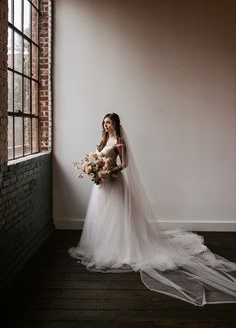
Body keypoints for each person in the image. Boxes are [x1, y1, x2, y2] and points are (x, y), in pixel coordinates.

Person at [68, 112, 236, 306]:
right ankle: (103, 243)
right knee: (103, 214)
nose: (106, 125)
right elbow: (98, 158)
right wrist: (95, 169)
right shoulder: (103, 140)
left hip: (113, 181)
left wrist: (108, 171)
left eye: (109, 122)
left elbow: (125, 163)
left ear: (115, 123)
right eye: (104, 122)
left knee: (117, 214)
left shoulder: (119, 141)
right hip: (102, 184)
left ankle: (123, 245)